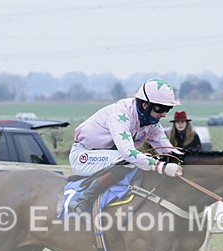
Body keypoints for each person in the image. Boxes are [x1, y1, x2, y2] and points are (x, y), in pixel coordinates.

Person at [67, 79, 182, 215]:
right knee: (132, 160)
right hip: (84, 156)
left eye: (167, 109)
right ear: (145, 105)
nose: (163, 114)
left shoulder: (151, 123)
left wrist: (187, 158)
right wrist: (161, 167)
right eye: (160, 108)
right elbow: (128, 153)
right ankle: (83, 201)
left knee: (144, 160)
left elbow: (168, 150)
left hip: (109, 158)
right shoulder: (120, 115)